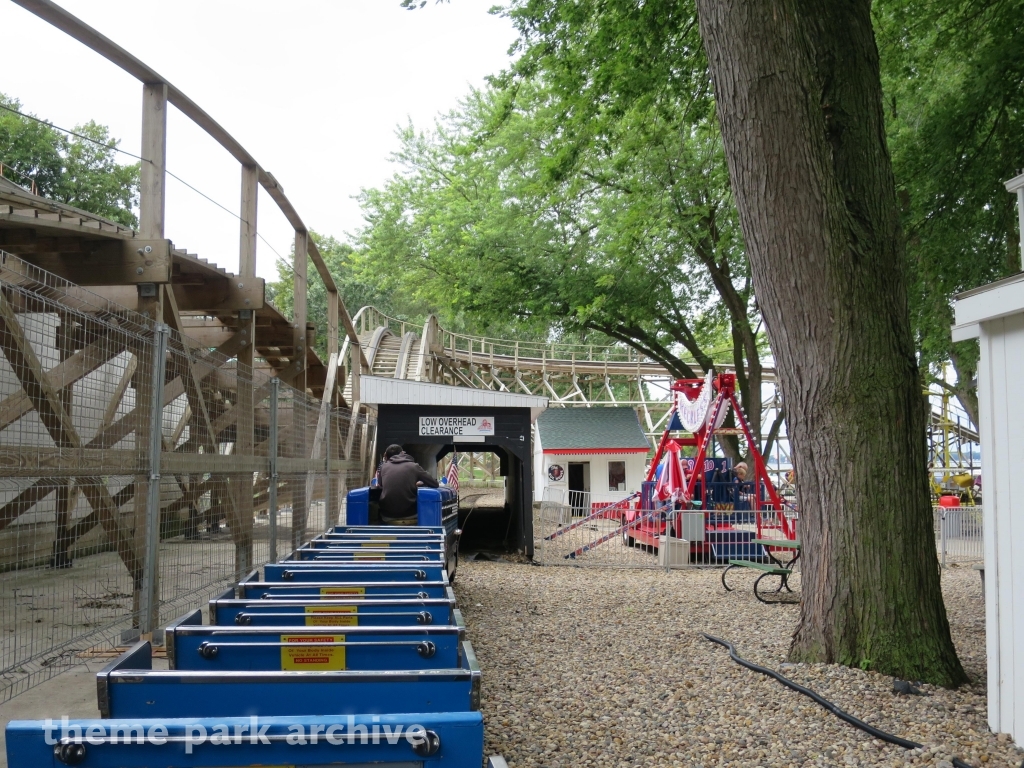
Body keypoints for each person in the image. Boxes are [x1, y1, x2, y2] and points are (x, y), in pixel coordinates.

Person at [378, 444, 439, 525]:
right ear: (403, 453)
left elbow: (381, 485)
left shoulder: (383, 467)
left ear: (386, 456)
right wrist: (420, 484)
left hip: (387, 515)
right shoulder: (414, 466)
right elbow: (434, 484)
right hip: (410, 514)